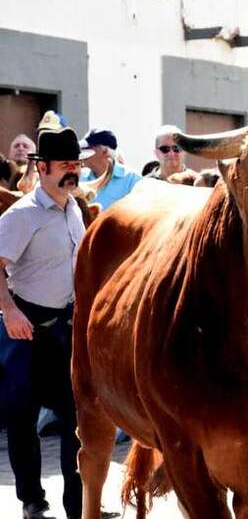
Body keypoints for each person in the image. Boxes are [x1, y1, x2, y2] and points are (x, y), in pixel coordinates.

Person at [0, 127, 91, 519]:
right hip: (25, 326)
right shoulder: (21, 215)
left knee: (76, 418)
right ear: (43, 168)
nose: (72, 172)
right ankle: (32, 500)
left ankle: (80, 505)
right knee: (22, 418)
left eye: (76, 164)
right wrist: (10, 312)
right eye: (65, 165)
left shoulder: (75, 207)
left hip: (66, 328)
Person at [79, 128, 143, 210]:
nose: (82, 152)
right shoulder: (79, 177)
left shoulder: (133, 179)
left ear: (104, 151)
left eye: (88, 148)